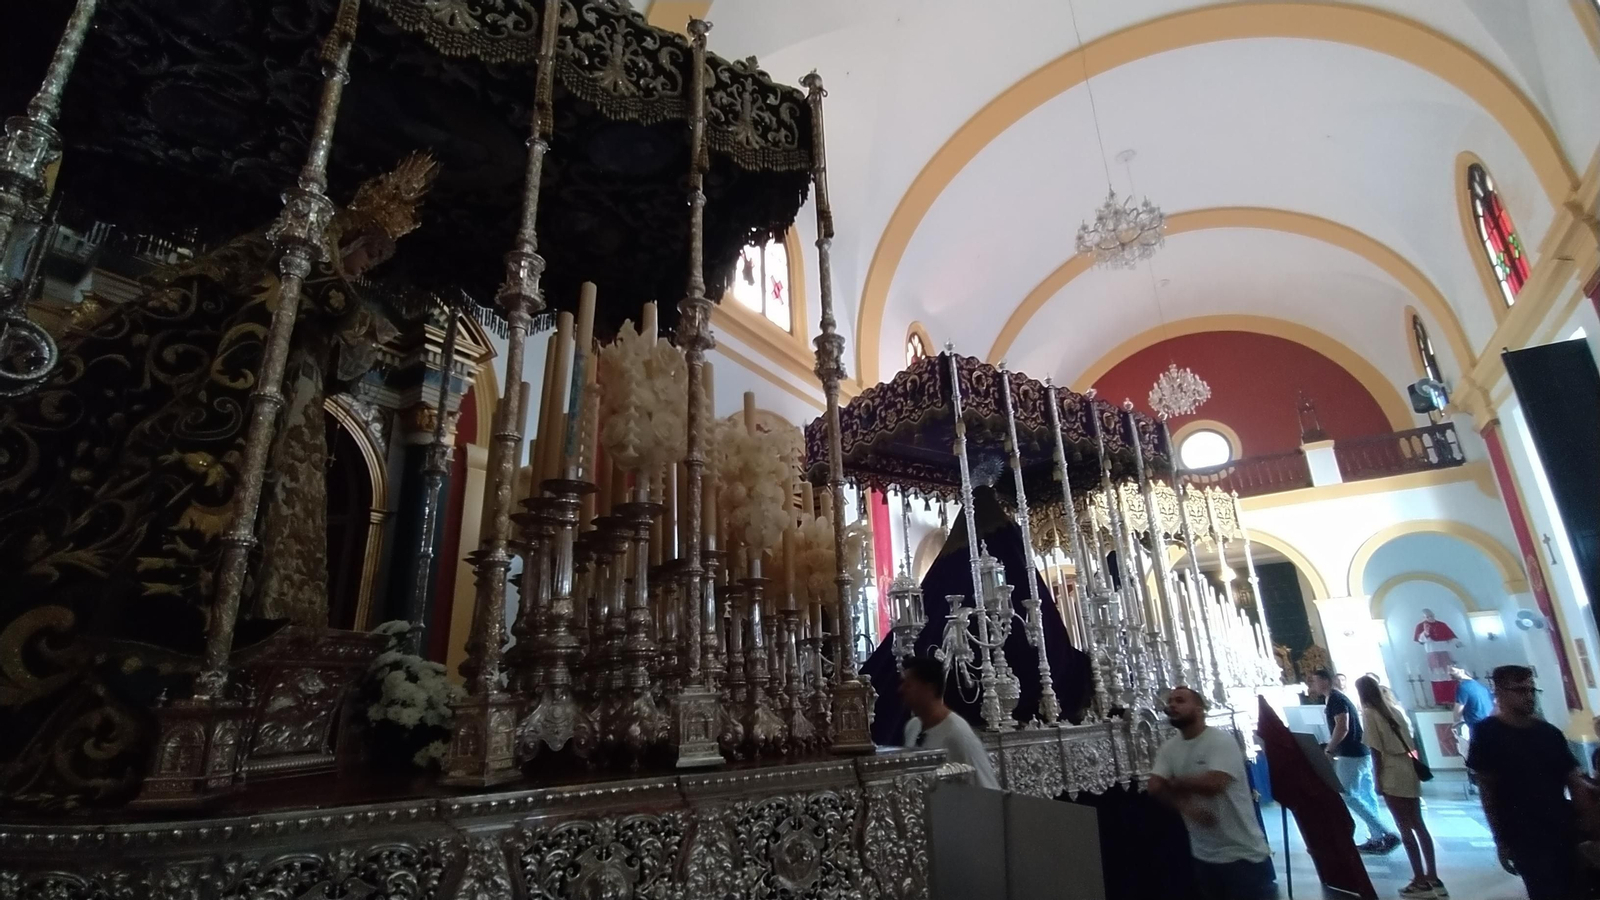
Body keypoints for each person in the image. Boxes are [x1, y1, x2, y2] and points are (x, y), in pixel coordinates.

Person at [1467, 665, 1592, 900]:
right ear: (1501, 692)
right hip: (1523, 832)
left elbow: (1572, 779)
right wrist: (1500, 839)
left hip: (1561, 828)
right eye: (1521, 691)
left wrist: (1585, 823)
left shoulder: (1549, 733)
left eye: (1532, 691)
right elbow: (1487, 790)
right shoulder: (1488, 734)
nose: (1529, 696)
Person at [1149, 686, 1276, 900]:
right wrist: (1186, 807)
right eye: (1170, 702)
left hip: (1242, 855)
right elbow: (1154, 786)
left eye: (1180, 701)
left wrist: (1176, 782)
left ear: (1199, 709)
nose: (1171, 705)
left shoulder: (1220, 741)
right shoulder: (1170, 748)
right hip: (1204, 855)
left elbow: (1215, 783)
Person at [1356, 675, 1443, 898]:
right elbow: (1411, 743)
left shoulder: (1370, 713)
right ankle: (1432, 874)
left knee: (1404, 827)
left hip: (1392, 771)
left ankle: (1419, 879)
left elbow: (1375, 751)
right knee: (1419, 824)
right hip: (1407, 767)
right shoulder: (1394, 710)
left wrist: (1377, 779)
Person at [1311, 668, 1400, 854]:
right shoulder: (1335, 698)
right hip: (1358, 751)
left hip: (1350, 753)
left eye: (1315, 681)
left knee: (1348, 794)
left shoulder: (1336, 699)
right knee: (1366, 796)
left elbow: (1342, 726)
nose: (1313, 685)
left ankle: (1387, 833)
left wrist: (1329, 748)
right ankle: (1377, 837)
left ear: (1325, 681)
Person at [899, 656, 1000, 789]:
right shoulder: (913, 727)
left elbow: (988, 789)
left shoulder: (958, 734)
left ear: (930, 688)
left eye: (909, 685)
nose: (901, 690)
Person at [1450, 665, 1492, 742]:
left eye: (1452, 670)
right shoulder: (1482, 686)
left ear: (1462, 670)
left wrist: (1456, 723)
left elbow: (1458, 711)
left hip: (1476, 725)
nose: (1450, 673)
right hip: (1489, 723)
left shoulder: (1463, 687)